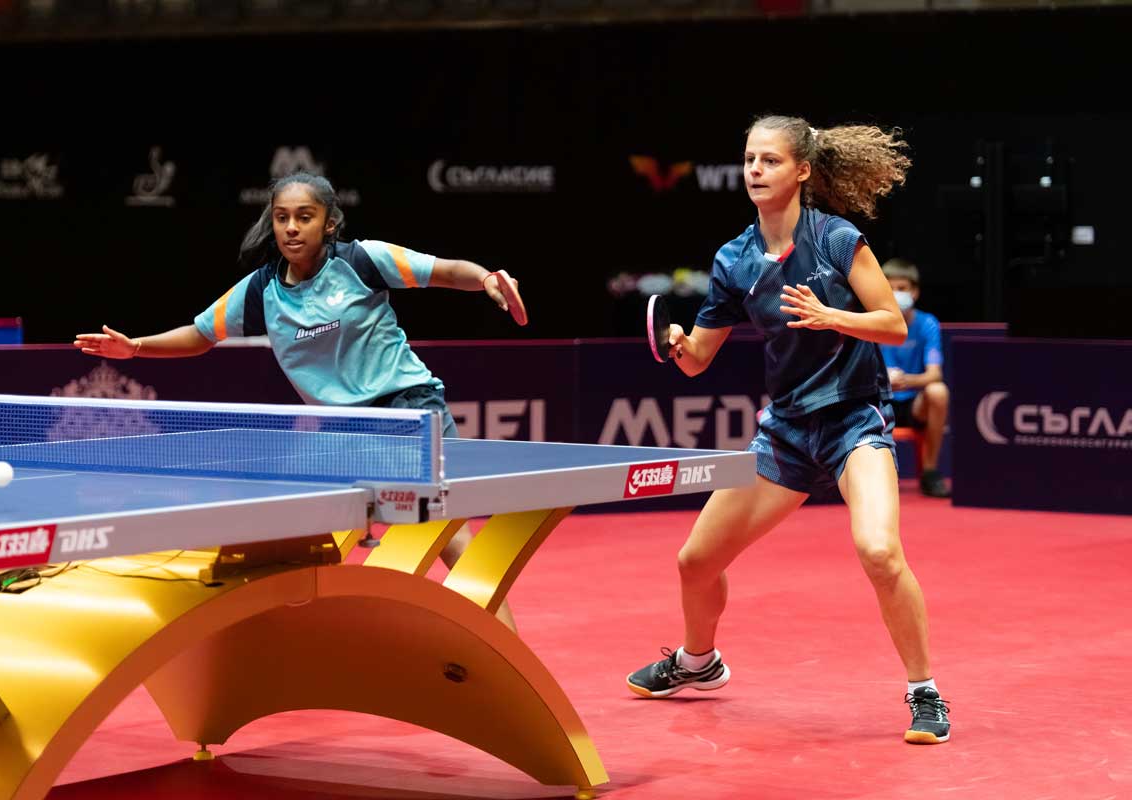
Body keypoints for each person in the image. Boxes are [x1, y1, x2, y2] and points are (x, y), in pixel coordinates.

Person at [74, 171, 525, 630]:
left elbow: (445, 271)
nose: (291, 227)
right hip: (341, 431)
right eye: (282, 217)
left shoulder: (362, 260)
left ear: (329, 223)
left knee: (447, 535)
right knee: (298, 536)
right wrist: (136, 347)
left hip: (406, 410)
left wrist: (486, 279)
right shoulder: (261, 291)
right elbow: (201, 334)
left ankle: (506, 648)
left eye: (304, 217)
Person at [625, 116, 950, 744]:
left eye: (770, 160)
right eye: (750, 159)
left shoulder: (837, 240)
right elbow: (698, 360)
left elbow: (892, 324)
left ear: (801, 170)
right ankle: (699, 661)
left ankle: (925, 691)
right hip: (787, 432)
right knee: (695, 561)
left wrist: (831, 316)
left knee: (879, 551)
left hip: (854, 419)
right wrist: (677, 344)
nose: (755, 170)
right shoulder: (735, 259)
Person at [879, 258, 951, 498]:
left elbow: (935, 374)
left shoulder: (927, 324)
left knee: (938, 391)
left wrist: (906, 380)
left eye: (902, 288)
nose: (896, 294)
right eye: (890, 288)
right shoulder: (872, 321)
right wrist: (884, 380)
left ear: (915, 292)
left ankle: (929, 472)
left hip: (914, 405)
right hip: (880, 402)